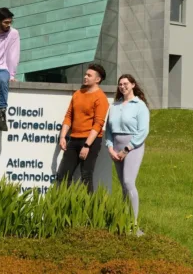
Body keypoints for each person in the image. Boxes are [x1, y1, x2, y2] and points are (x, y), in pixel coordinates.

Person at [105, 74, 150, 236]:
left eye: (125, 84)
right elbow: (109, 130)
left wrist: (127, 149)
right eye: (120, 84)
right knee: (123, 186)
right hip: (116, 146)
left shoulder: (139, 105)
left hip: (133, 146)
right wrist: (110, 147)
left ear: (132, 85)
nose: (122, 86)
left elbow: (143, 131)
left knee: (128, 181)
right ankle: (124, 222)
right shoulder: (115, 106)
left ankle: (134, 226)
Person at [56, 64, 110, 193]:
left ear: (97, 79)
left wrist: (87, 145)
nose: (85, 77)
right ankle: (66, 207)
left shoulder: (101, 98)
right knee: (63, 175)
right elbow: (69, 116)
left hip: (90, 141)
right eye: (85, 74)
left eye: (89, 75)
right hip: (74, 139)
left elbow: (98, 124)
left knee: (86, 176)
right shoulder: (78, 94)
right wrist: (63, 136)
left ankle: (88, 210)